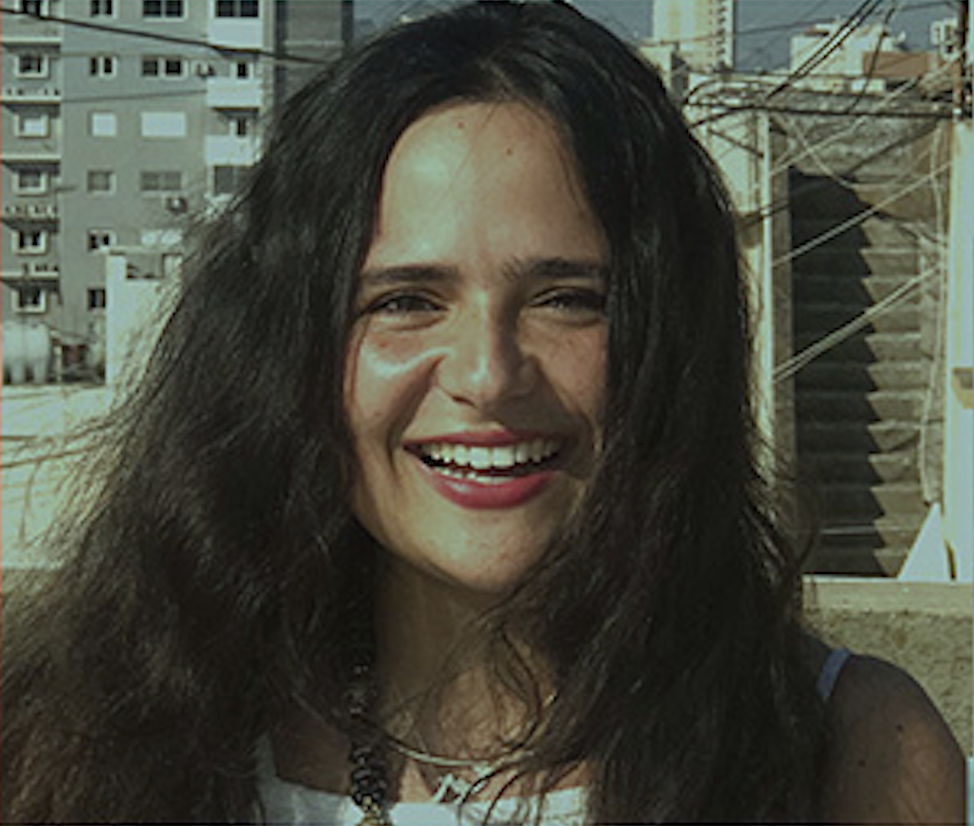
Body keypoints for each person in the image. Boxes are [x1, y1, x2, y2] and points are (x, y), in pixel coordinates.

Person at [1, 2, 965, 823]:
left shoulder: (850, 755)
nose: (488, 375)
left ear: (671, 341)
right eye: (405, 302)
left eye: (568, 299)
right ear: (287, 352)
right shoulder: (86, 748)